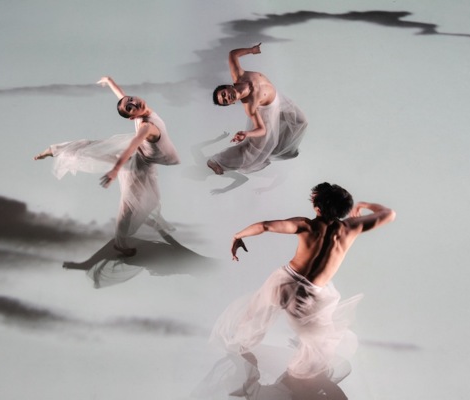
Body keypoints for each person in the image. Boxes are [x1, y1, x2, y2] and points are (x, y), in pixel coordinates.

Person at [210, 182, 396, 379]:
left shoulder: (306, 225)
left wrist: (238, 236)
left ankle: (241, 349)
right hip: (308, 297)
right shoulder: (352, 228)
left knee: (254, 315)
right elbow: (389, 214)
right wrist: (364, 204)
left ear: (318, 208)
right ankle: (297, 376)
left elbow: (265, 226)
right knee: (319, 343)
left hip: (283, 282)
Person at [34, 76, 180, 256]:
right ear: (132, 117)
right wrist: (116, 170)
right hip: (137, 165)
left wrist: (109, 81)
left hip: (142, 160)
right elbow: (133, 144)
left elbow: (122, 96)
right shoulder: (146, 126)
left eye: (131, 100)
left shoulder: (142, 110)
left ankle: (55, 149)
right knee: (129, 206)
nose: (134, 103)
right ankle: (120, 243)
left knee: (96, 149)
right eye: (130, 107)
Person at [207, 43, 308, 175]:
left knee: (301, 122)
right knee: (255, 149)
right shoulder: (250, 106)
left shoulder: (238, 74)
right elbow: (262, 129)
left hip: (280, 99)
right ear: (231, 103)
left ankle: (284, 149)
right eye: (225, 101)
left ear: (228, 86)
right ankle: (218, 161)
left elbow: (232, 54)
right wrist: (246, 133)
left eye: (224, 94)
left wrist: (251, 50)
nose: (227, 98)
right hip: (269, 110)